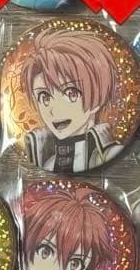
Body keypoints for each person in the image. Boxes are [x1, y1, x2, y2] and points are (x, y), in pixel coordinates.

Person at [19, 30, 120, 173]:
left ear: (98, 96)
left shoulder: (110, 153)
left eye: (71, 93)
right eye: (44, 97)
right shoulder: (45, 160)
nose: (54, 110)